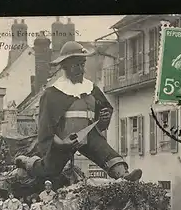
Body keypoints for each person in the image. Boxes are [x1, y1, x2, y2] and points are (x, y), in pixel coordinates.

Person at [14, 41, 142, 182]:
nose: (81, 69)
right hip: (63, 137)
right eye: (76, 65)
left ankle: (123, 174)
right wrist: (59, 144)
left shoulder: (91, 89)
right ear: (65, 66)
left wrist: (104, 118)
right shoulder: (52, 93)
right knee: (50, 170)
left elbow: (104, 113)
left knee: (105, 152)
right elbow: (46, 127)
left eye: (82, 64)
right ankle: (27, 162)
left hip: (87, 134)